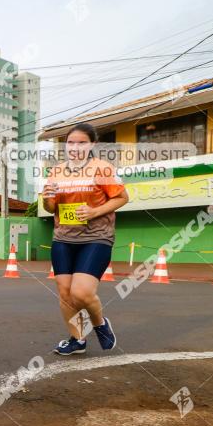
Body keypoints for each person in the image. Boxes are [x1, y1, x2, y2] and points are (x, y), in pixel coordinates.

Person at [41, 122, 129, 356]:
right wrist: (48, 199)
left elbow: (122, 198)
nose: (75, 147)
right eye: (71, 142)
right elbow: (50, 207)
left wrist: (93, 212)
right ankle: (77, 339)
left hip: (96, 237)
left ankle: (100, 323)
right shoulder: (57, 171)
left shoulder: (102, 168)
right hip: (63, 238)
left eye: (82, 143)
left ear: (92, 145)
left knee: (81, 292)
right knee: (65, 293)